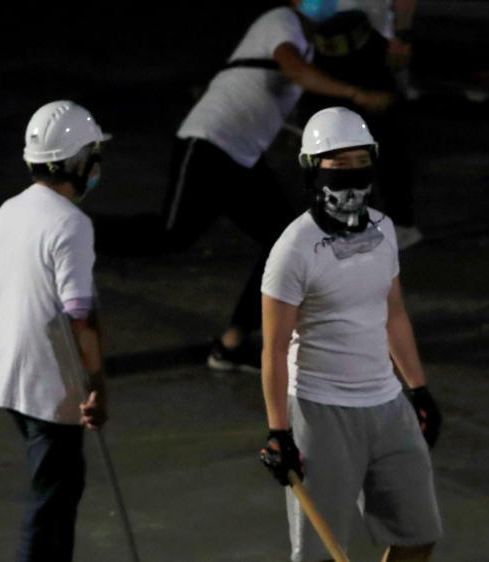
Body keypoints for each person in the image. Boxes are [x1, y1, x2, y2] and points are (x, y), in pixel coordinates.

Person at [162, 0, 396, 372]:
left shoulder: (309, 41)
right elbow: (296, 72)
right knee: (170, 234)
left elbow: (312, 78)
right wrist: (356, 93)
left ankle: (231, 343)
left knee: (281, 242)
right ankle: (74, 231)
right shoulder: (280, 20)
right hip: (209, 140)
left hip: (242, 155)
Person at [258, 107, 442, 562]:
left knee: (418, 535)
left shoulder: (383, 230)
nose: (352, 178)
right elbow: (275, 348)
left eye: (361, 163)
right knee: (322, 553)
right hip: (322, 412)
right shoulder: (293, 251)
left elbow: (393, 312)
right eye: (337, 166)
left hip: (387, 405)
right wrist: (279, 432)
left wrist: (417, 389)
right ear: (311, 171)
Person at [0, 100, 111, 562]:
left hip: (13, 377)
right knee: (51, 503)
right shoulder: (71, 223)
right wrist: (96, 385)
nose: (97, 165)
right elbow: (79, 315)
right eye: (94, 154)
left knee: (61, 487)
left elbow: (3, 295)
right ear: (79, 162)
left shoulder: (8, 211)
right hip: (53, 385)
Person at [298, 0, 423, 249]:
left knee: (386, 141)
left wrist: (402, 35)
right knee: (336, 143)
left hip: (369, 44)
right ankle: (355, 223)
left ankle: (401, 224)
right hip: (326, 48)